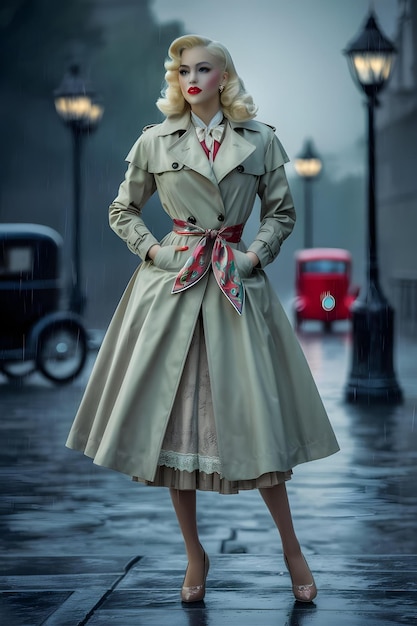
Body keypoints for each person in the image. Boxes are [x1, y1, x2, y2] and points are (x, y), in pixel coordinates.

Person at [66, 34, 339, 604]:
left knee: (259, 427)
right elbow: (122, 210)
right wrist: (157, 252)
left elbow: (281, 213)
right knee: (172, 433)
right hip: (174, 289)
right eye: (184, 69)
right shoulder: (154, 140)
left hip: (237, 286)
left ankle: (293, 549)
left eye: (204, 68)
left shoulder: (261, 141)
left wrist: (254, 254)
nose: (191, 78)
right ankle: (195, 553)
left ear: (224, 76)